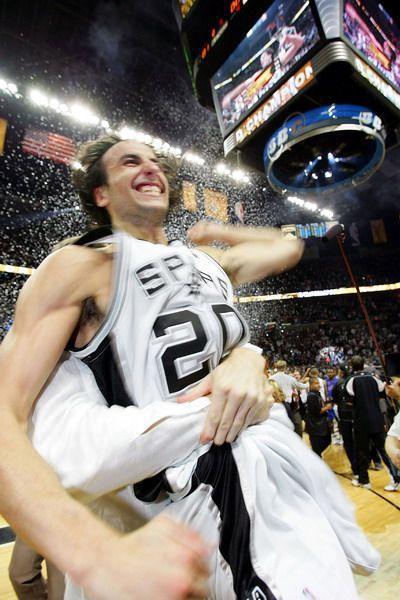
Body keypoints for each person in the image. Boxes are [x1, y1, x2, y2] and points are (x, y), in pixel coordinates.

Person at [23, 135, 379, 599]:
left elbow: (286, 246)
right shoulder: (83, 264)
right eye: (130, 162)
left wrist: (220, 235)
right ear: (101, 193)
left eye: (155, 161)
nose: (150, 168)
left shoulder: (206, 262)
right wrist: (88, 551)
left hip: (250, 470)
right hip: (166, 498)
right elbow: (11, 413)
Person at [346, 355, 400, 491]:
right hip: (377, 419)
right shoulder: (374, 379)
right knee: (384, 450)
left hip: (361, 421)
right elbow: (383, 394)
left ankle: (364, 481)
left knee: (362, 451)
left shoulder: (350, 380)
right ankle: (396, 479)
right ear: (363, 364)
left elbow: (349, 401)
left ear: (352, 366)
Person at [269, 360, 307, 436]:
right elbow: (300, 386)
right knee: (292, 425)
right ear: (285, 367)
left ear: (276, 367)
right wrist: (308, 384)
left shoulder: (271, 378)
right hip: (289, 405)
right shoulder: (290, 378)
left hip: (275, 405)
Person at [305, 377, 332, 457]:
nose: (319, 385)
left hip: (320, 424)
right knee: (317, 449)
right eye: (316, 383)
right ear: (310, 385)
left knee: (327, 441)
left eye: (318, 383)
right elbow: (317, 411)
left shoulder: (317, 393)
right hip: (315, 426)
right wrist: (327, 407)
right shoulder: (311, 396)